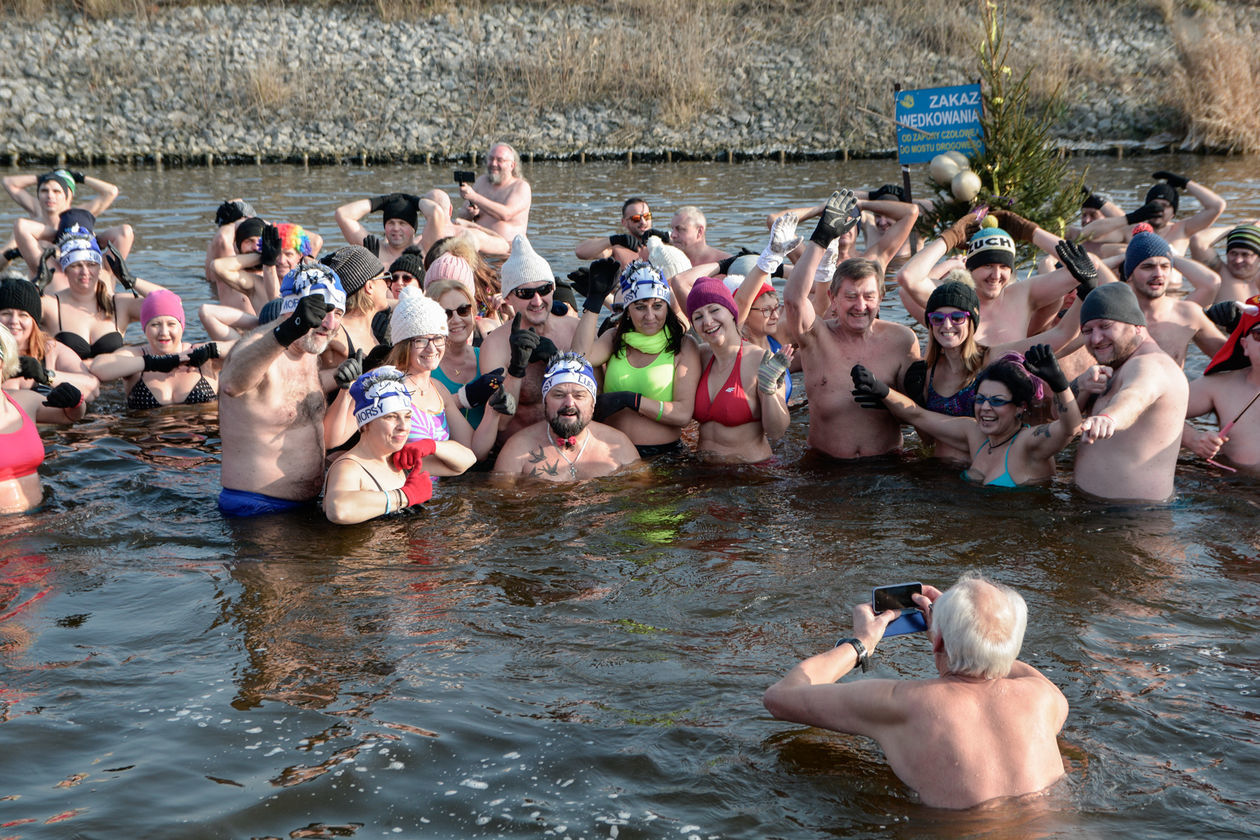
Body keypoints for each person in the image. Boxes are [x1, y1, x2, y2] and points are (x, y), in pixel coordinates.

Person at [763, 572, 1068, 810]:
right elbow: (1000, 658)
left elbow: (780, 697)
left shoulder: (903, 703)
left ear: (937, 642)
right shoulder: (1046, 698)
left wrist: (861, 644)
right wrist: (962, 628)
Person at [782, 191, 921, 459]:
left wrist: (887, 398)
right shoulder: (815, 338)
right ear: (833, 299)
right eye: (850, 297)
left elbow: (919, 410)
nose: (860, 306)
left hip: (888, 467)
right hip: (825, 466)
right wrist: (821, 237)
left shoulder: (903, 340)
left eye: (869, 296)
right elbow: (793, 299)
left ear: (881, 298)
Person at [900, 272, 1084, 462]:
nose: (947, 325)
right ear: (930, 323)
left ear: (972, 321)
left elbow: (1062, 334)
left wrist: (1085, 291)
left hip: (985, 470)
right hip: (940, 472)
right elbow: (927, 440)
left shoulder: (991, 357)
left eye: (957, 317)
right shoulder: (926, 372)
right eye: (938, 318)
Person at [217, 264, 346, 516]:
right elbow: (231, 383)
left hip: (304, 508)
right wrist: (286, 331)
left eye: (338, 312)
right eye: (324, 311)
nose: (330, 323)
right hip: (255, 510)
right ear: (294, 308)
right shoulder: (258, 346)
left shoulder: (308, 349)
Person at [852, 347, 1082, 487]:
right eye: (980, 399)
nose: (985, 408)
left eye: (998, 401)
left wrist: (1059, 383)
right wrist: (881, 390)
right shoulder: (974, 433)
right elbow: (918, 416)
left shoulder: (1029, 443)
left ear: (1020, 407)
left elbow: (1070, 428)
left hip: (1019, 556)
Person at [327, 287, 495, 474]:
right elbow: (332, 440)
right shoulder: (383, 381)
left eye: (438, 339)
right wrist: (345, 392)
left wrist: (492, 412)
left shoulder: (437, 389)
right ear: (404, 345)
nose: (432, 349)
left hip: (432, 495)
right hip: (395, 493)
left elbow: (471, 451)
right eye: (421, 341)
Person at [1073, 282, 1189, 502]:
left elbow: (1136, 396)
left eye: (1105, 326)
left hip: (1133, 518)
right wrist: (1079, 385)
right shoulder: (1116, 366)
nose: (1096, 339)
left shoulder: (1152, 365)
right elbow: (1055, 415)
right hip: (1095, 509)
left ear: (1136, 325)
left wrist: (1109, 418)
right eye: (1088, 331)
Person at [572, 260, 700, 457]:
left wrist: (631, 400)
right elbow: (579, 358)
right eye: (640, 307)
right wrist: (595, 301)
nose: (650, 316)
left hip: (664, 455)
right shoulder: (615, 338)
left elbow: (682, 414)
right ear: (628, 311)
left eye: (657, 306)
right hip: (610, 455)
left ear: (667, 307)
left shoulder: (683, 345)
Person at [480, 236, 578, 443]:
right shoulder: (495, 345)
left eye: (544, 290)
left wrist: (559, 361)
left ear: (553, 289)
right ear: (507, 298)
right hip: (519, 451)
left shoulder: (573, 329)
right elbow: (501, 423)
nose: (537, 301)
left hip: (569, 444)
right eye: (525, 293)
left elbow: (592, 400)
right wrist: (517, 368)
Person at [686, 277, 790, 462]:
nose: (708, 321)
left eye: (714, 310)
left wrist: (769, 392)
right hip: (704, 474)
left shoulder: (761, 360)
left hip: (752, 475)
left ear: (732, 312)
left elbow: (777, 431)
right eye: (698, 316)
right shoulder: (698, 357)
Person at [493, 352, 639, 480]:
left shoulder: (619, 445)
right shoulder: (517, 449)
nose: (569, 403)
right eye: (559, 395)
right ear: (545, 401)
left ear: (593, 403)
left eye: (579, 395)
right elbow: (502, 503)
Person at [322, 366, 434, 525]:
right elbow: (338, 510)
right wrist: (405, 496)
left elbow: (466, 461)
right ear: (365, 425)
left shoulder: (401, 460)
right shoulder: (349, 467)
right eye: (391, 417)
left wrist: (431, 445)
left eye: (407, 417)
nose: (403, 426)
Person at [40, 235, 167, 369]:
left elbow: (170, 304)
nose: (85, 272)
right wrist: (36, 286)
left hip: (114, 386)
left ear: (99, 268)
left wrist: (132, 280)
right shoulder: (51, 304)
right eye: (76, 265)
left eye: (91, 265)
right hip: (67, 385)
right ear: (65, 270)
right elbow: (17, 314)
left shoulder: (119, 304)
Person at [91, 290, 228, 410]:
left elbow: (244, 348)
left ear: (181, 326)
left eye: (171, 324)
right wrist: (154, 363)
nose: (163, 332)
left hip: (202, 437)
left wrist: (213, 350)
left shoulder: (203, 355)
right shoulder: (137, 355)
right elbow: (99, 367)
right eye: (155, 324)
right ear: (145, 328)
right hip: (149, 437)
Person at [0, 323, 86, 514]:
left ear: (3, 363)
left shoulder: (24, 401)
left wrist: (75, 400)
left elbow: (69, 416)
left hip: (42, 514)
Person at [1109, 231, 1225, 367]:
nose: (1158, 274)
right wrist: (1126, 257)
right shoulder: (1111, 315)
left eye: (1165, 266)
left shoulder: (1188, 314)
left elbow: (1234, 359)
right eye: (1148, 267)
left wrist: (1237, 325)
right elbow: (1090, 267)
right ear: (1129, 275)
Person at [3, 168, 133, 273]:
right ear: (38, 195)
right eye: (44, 190)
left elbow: (111, 191)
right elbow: (8, 182)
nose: (50, 196)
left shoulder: (80, 217)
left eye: (56, 191)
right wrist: (13, 253)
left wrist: (79, 177)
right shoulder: (30, 225)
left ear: (68, 196)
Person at [1182, 296, 1260, 472]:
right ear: (1245, 345)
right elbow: (1154, 410)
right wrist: (1192, 439)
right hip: (1235, 488)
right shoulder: (1219, 387)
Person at [0, 278, 99, 400]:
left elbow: (93, 388)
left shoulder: (50, 350)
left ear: (34, 322)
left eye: (23, 315)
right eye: (6, 314)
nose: (14, 321)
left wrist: (45, 376)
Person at [1078, 171, 1225, 253]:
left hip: (1174, 294)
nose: (1158, 210)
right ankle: (1098, 200)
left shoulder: (1183, 229)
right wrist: (1131, 217)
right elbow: (1085, 235)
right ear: (1145, 208)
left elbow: (1217, 206)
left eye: (1165, 206)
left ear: (1173, 213)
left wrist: (1185, 182)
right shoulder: (1132, 230)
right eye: (1154, 205)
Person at [426, 278, 504, 428]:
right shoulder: (425, 365)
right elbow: (420, 417)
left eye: (463, 310)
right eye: (446, 314)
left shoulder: (487, 356)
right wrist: (464, 398)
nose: (456, 319)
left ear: (473, 313)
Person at [455, 142, 532, 240]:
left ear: (512, 165)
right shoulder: (481, 181)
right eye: (491, 159)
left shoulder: (521, 187)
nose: (494, 164)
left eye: (499, 160)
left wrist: (474, 197)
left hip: (507, 247)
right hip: (479, 242)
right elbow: (462, 217)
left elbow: (506, 214)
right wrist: (468, 213)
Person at [333, 192, 423, 265]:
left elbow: (436, 209)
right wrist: (382, 201)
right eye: (391, 223)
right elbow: (342, 214)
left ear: (413, 228)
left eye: (402, 223)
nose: (396, 228)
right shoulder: (373, 249)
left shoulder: (424, 248)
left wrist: (416, 201)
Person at [574, 198, 668, 267]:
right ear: (624, 222)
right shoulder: (616, 248)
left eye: (647, 216)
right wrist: (613, 240)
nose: (643, 222)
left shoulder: (665, 244)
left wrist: (668, 240)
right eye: (636, 219)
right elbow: (580, 252)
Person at [1190, 222, 1260, 305]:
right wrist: (1236, 228)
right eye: (1233, 253)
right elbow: (1198, 241)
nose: (1238, 260)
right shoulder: (1219, 273)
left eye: (1245, 254)